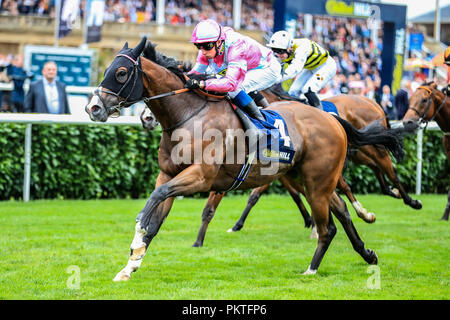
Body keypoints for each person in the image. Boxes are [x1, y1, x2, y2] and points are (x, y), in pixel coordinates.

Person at [185, 19, 281, 122]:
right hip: (248, 66)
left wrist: (202, 84)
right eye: (198, 46)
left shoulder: (236, 46)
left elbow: (232, 84)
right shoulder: (208, 48)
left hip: (268, 68)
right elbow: (195, 73)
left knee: (234, 90)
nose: (203, 51)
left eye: (207, 46)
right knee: (215, 79)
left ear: (218, 42)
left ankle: (261, 124)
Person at [266, 30, 337, 110]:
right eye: (275, 51)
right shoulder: (285, 51)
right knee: (293, 92)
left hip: (326, 66)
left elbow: (295, 69)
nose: (278, 55)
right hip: (311, 67)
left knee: (308, 90)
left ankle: (322, 115)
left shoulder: (302, 47)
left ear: (289, 48)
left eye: (280, 51)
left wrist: (275, 79)